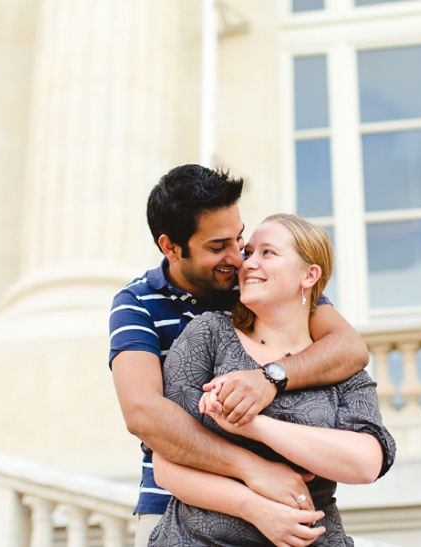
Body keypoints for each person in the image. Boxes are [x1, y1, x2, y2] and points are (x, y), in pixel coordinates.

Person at [109, 165, 370, 544]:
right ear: (170, 247)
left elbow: (348, 348)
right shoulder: (136, 304)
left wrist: (272, 378)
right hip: (176, 505)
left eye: (239, 239)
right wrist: (251, 469)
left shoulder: (257, 280)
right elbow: (143, 413)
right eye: (218, 247)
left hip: (287, 505)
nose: (237, 258)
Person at [149, 214, 396, 547]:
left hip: (310, 538)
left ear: (309, 275)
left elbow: (366, 463)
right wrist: (254, 508)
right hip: (201, 538)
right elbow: (166, 464)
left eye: (268, 253)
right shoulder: (208, 335)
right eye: (248, 252)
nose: (248, 263)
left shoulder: (335, 363)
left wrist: (253, 424)